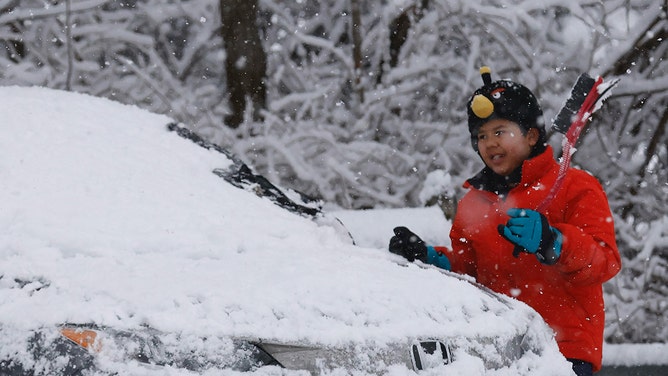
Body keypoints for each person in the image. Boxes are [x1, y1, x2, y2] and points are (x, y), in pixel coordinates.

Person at [389, 67, 621, 375]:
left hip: (562, 351)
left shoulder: (574, 187)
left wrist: (552, 242)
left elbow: (604, 261)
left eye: (500, 132)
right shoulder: (474, 202)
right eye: (481, 136)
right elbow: (470, 273)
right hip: (495, 351)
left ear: (531, 135)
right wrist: (431, 259)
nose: (489, 143)